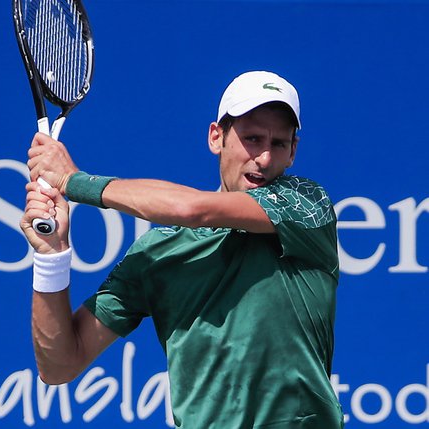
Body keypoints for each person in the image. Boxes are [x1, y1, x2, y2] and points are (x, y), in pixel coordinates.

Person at [20, 71, 344, 428]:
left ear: (293, 151)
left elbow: (192, 209)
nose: (264, 158)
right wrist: (51, 257)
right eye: (252, 139)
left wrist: (74, 181)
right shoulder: (156, 254)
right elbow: (60, 365)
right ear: (215, 137)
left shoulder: (307, 204)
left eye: (278, 143)